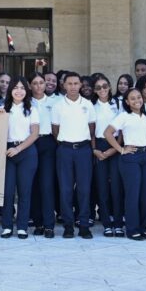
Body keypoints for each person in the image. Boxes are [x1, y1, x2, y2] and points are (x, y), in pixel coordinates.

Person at [104, 88, 146, 241]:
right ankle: (132, 230)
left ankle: (143, 227)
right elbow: (107, 133)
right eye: (132, 98)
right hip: (130, 157)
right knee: (133, 194)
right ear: (127, 102)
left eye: (138, 97)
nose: (136, 100)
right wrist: (120, 149)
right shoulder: (124, 116)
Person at [51, 72, 96, 239]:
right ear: (64, 85)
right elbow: (55, 130)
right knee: (66, 189)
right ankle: (68, 226)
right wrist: (66, 143)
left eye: (76, 83)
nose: (73, 86)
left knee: (84, 189)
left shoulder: (88, 104)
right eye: (69, 83)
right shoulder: (58, 105)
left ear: (80, 85)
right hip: (65, 150)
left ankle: (84, 225)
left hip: (84, 150)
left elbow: (92, 128)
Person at [1, 77, 39, 239]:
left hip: (26, 152)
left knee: (25, 191)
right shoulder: (3, 108)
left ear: (27, 90)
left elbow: (35, 133)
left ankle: (22, 226)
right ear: (10, 90)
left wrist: (18, 148)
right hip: (7, 152)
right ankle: (7, 226)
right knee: (7, 192)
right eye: (15, 87)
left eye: (22, 88)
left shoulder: (32, 109)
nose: (19, 91)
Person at [91, 75, 121, 236]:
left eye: (105, 86)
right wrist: (95, 149)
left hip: (116, 146)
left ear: (109, 87)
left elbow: (123, 129)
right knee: (101, 187)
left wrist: (115, 149)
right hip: (99, 146)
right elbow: (91, 130)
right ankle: (106, 223)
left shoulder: (119, 104)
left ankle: (117, 222)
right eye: (98, 87)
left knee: (116, 187)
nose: (102, 90)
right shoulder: (91, 106)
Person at [30, 73, 56, 235]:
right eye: (35, 83)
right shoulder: (26, 102)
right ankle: (37, 223)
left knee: (47, 185)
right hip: (30, 144)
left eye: (41, 83)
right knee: (33, 185)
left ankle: (49, 224)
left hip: (48, 143)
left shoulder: (54, 102)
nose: (38, 86)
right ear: (30, 86)